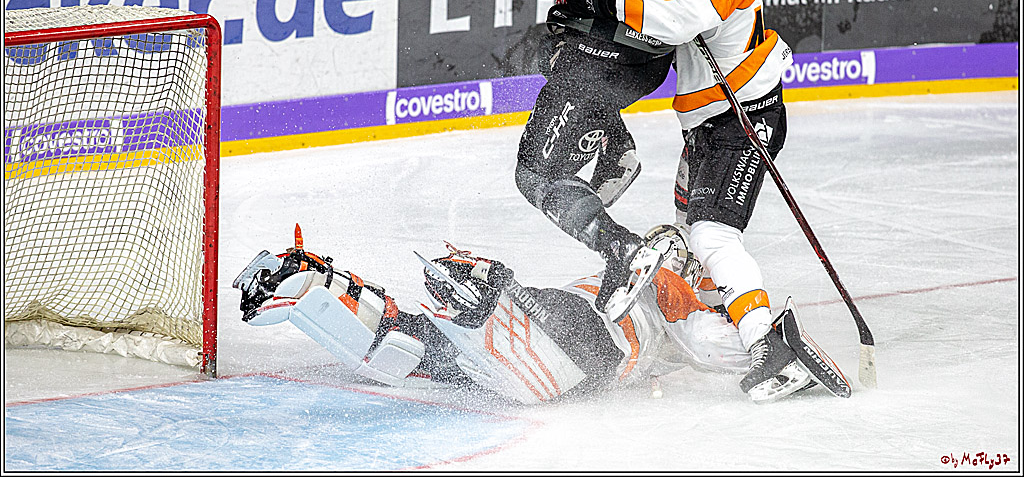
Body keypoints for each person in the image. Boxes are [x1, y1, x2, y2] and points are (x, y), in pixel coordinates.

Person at [557, 0, 822, 402]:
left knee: (712, 235)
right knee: (687, 223)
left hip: (741, 122)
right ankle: (713, 309)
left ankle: (767, 345)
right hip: (712, 122)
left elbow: (671, 20)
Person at [442, 0, 677, 320]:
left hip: (610, 57)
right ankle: (616, 146)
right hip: (633, 55)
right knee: (549, 57)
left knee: (537, 175)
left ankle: (623, 250)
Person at [232, 224, 848, 403]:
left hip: (576, 341)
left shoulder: (665, 281)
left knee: (450, 326)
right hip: (565, 372)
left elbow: (707, 341)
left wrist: (769, 345)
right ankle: (330, 291)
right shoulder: (666, 283)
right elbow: (710, 346)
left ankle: (477, 291)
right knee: (421, 351)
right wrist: (771, 348)